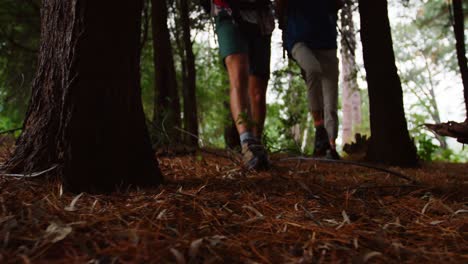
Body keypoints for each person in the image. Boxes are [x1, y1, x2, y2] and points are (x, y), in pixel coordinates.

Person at [210, 0, 275, 169]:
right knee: (238, 76)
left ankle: (257, 145)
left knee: (258, 92)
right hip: (228, 11)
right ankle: (247, 143)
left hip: (261, 18)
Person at [276, 0, 342, 159]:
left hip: (327, 41)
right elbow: (279, 7)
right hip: (299, 38)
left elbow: (337, 4)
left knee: (330, 102)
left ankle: (330, 147)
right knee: (312, 69)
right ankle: (319, 129)